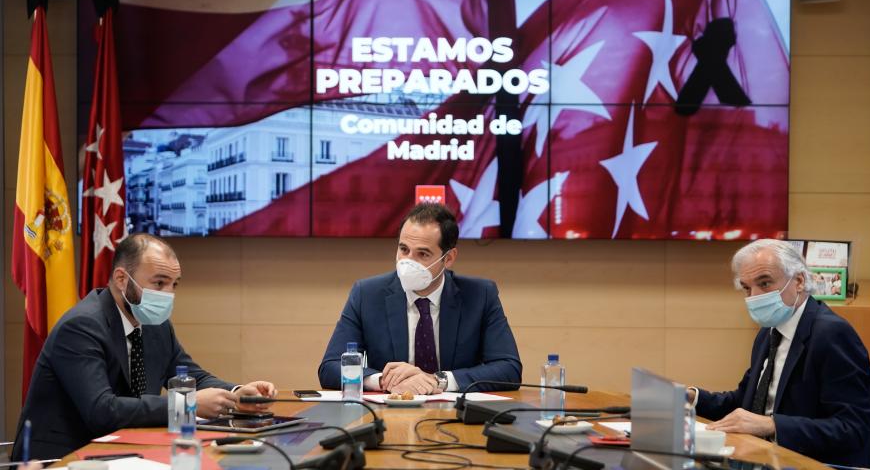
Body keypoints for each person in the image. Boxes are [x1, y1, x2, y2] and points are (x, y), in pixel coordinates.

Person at [12, 234, 277, 460]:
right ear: (121, 279)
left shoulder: (156, 325)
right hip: (64, 457)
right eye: (159, 283)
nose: (168, 294)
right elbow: (101, 411)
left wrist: (237, 393)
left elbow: (192, 375)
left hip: (126, 450)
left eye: (174, 285)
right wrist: (186, 404)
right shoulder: (82, 326)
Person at [690, 239, 870, 467]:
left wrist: (772, 425)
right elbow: (746, 402)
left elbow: (853, 429)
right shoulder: (768, 332)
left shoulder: (832, 334)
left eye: (764, 283)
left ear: (799, 281)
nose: (754, 296)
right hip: (761, 456)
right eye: (747, 288)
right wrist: (692, 398)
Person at [318, 203, 521, 394]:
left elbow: (509, 369)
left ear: (448, 258)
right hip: (389, 413)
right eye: (404, 249)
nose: (408, 262)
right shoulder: (367, 294)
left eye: (423, 254)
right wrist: (383, 380)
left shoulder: (480, 294)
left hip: (457, 415)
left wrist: (438, 380)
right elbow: (330, 368)